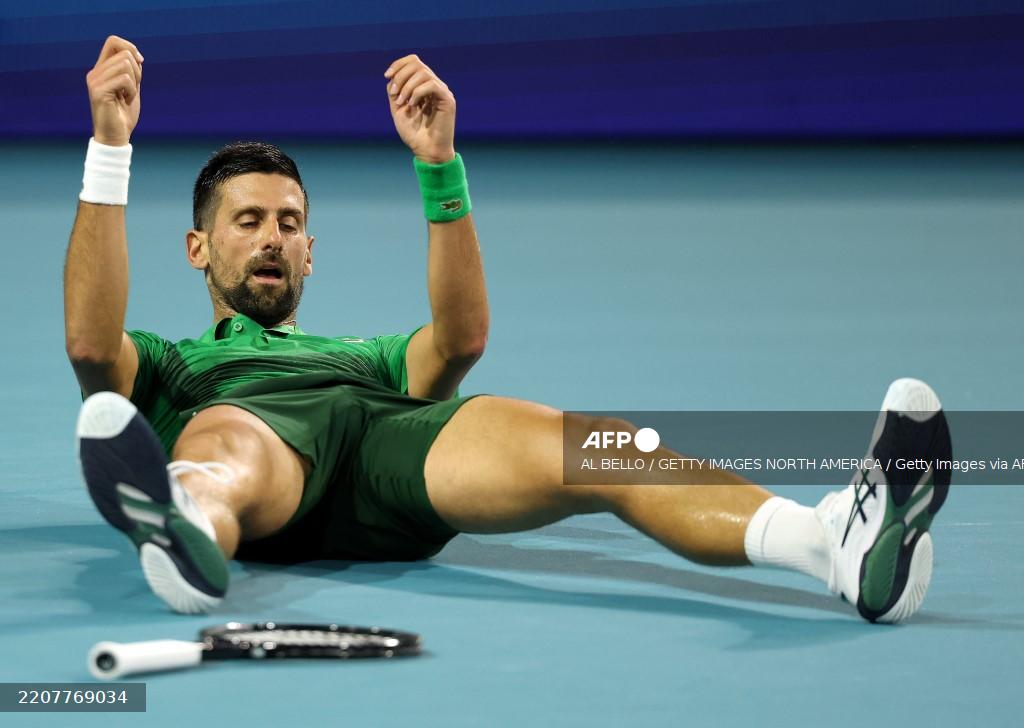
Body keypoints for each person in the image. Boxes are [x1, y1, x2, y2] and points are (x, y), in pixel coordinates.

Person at [67, 36, 951, 624]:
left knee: (603, 447)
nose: (272, 237)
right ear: (198, 247)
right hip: (256, 449)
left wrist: (440, 165)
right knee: (229, 438)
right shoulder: (174, 364)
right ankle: (189, 519)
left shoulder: (368, 358)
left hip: (388, 460)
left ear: (310, 253)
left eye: (290, 223)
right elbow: (91, 346)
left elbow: (459, 340)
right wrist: (111, 147)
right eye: (248, 221)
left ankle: (831, 545)